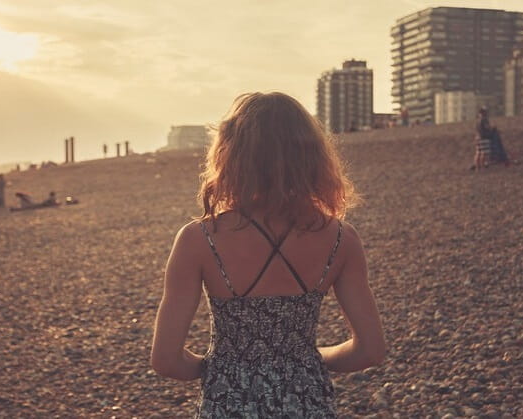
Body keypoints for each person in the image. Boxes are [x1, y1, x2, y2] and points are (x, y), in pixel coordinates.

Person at [150, 92, 386, 417]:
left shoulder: (200, 239)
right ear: (311, 155)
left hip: (229, 404)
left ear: (229, 154)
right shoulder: (340, 238)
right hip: (309, 403)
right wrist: (309, 358)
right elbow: (370, 350)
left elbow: (166, 359)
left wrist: (218, 368)